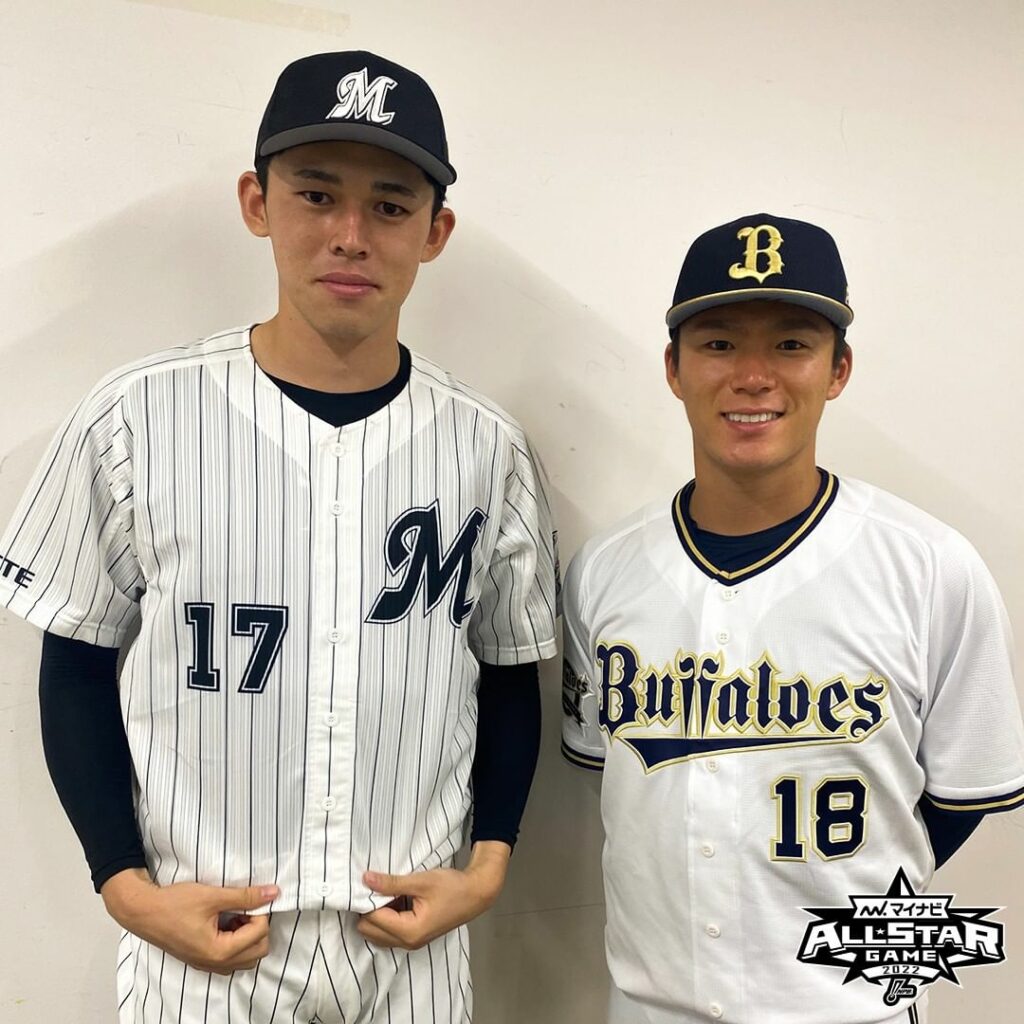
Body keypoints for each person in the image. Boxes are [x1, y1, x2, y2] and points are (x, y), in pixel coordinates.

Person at [0, 50, 557, 1023]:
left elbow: (507, 671)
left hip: (410, 952)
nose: (350, 235)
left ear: (435, 231)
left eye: (390, 205)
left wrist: (488, 866)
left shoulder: (487, 446)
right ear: (257, 203)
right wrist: (124, 888)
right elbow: (77, 661)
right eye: (316, 194)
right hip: (201, 950)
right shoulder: (134, 417)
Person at [560, 214, 1024, 1024]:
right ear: (673, 368)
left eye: (790, 344)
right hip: (646, 1005)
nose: (752, 376)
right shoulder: (603, 570)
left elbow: (960, 797)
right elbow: (622, 780)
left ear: (838, 368)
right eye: (718, 343)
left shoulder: (931, 566)